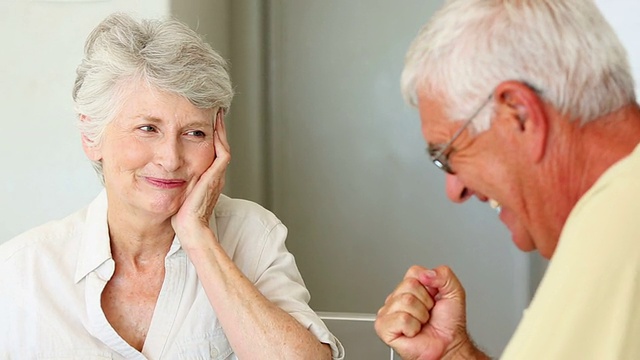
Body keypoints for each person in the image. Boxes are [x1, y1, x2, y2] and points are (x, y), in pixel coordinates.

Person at [0, 12, 344, 359]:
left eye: (195, 133)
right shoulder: (21, 272)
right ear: (92, 136)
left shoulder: (253, 234)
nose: (171, 158)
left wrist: (198, 238)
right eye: (148, 128)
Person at [374, 0, 640, 359]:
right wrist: (453, 352)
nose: (455, 190)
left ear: (519, 115)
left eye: (448, 154)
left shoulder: (616, 225)